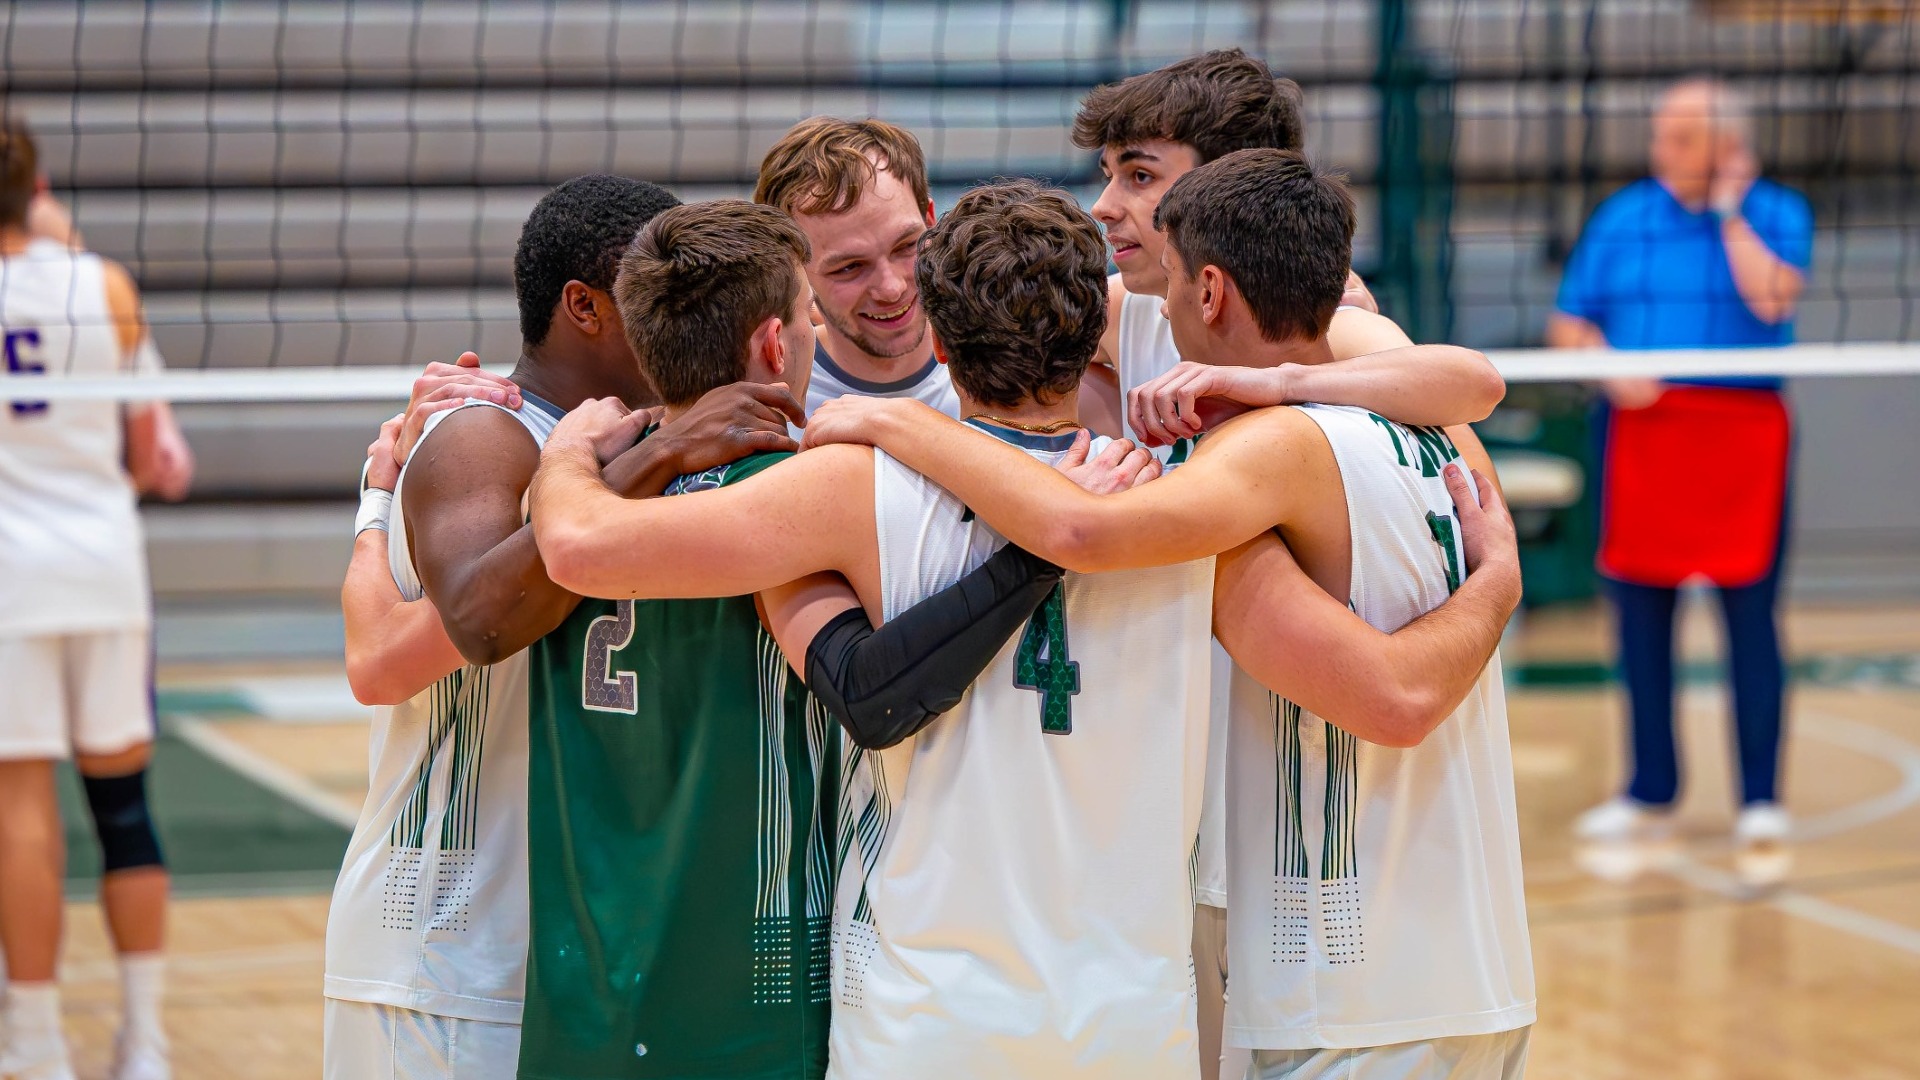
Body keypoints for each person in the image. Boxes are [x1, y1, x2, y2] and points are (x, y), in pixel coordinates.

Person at [529, 177, 1522, 1079]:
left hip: (923, 1014)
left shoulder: (848, 485)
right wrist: (1493, 583)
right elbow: (1388, 688)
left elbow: (580, 552)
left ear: (940, 344)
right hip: (1134, 1023)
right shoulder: (1186, 507)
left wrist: (571, 453)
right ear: (1099, 328)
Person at [512, 198, 1086, 1080]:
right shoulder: (805, 498)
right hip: (759, 976)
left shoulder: (568, 496)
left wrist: (561, 459)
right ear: (777, 348)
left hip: (580, 979)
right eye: (813, 312)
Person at [1069, 47, 1509, 1078]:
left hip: (1317, 819)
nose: (1107, 205)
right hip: (1194, 812)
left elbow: (1472, 384)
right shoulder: (1132, 308)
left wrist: (1279, 388)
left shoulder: (1332, 327)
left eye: (1139, 174)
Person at [327, 175, 806, 1078]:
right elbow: (475, 615)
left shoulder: (664, 440)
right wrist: (647, 459)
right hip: (442, 949)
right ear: (584, 307)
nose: (676, 310)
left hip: (579, 959)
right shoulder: (483, 430)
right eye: (648, 293)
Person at [1549, 78, 1812, 876]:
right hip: (1643, 429)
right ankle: (1650, 789)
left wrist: (1729, 208)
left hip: (1740, 433)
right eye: (1661, 135)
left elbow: (1775, 302)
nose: (1661, 150)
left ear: (1726, 145)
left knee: (1751, 617)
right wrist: (1606, 368)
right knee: (1639, 620)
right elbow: (1569, 324)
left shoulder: (1774, 212)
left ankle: (1760, 797)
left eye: (1681, 137)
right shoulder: (1623, 216)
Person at [0, 115, 194, 1080]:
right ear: (37, 189)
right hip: (105, 570)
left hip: (10, 584)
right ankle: (146, 1042)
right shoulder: (105, 285)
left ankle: (35, 1042)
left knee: (22, 804)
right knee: (123, 807)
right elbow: (155, 462)